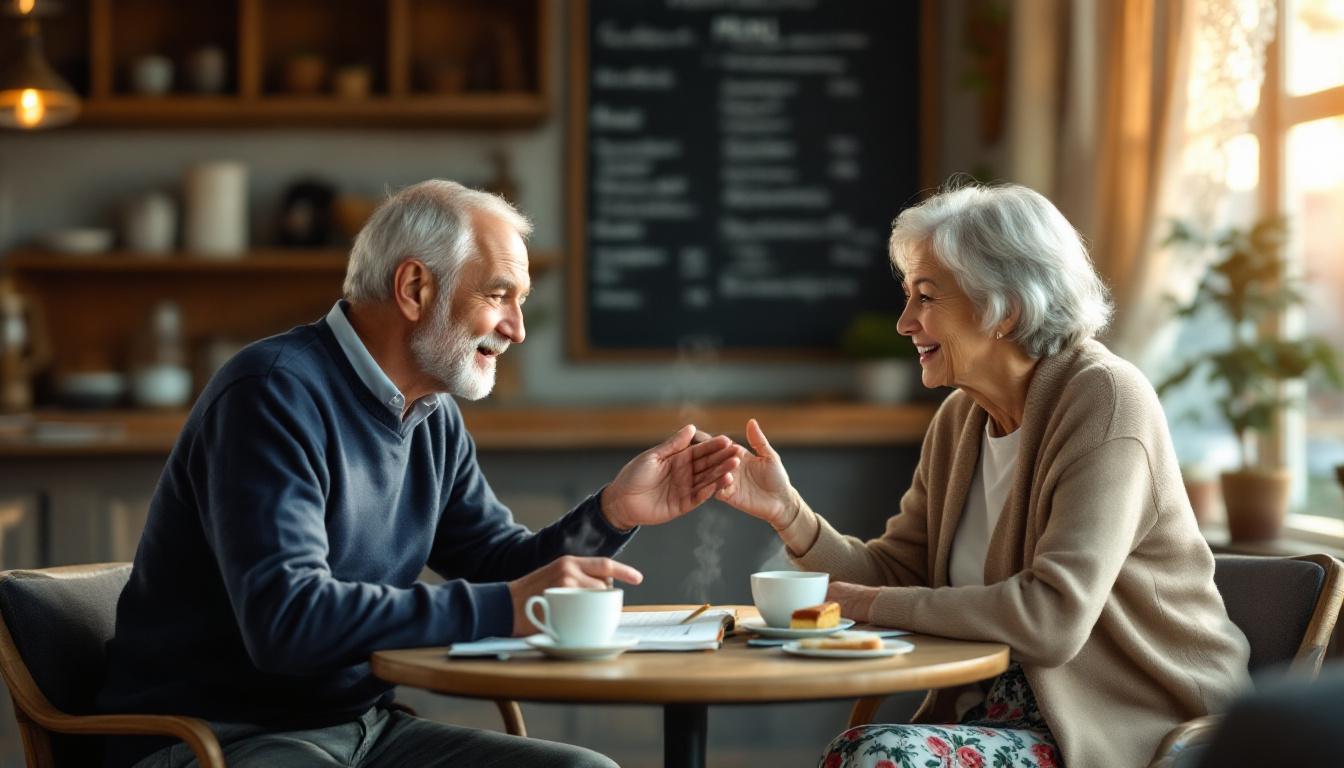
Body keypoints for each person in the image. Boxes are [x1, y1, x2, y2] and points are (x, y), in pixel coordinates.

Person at [96, 180, 741, 768]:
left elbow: (500, 570)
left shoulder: (431, 414)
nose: (516, 329)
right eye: (498, 296)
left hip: (362, 731)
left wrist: (612, 513)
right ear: (414, 289)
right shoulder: (270, 394)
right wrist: (503, 608)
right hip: (211, 738)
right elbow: (286, 622)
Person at [715, 182, 1251, 768]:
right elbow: (897, 573)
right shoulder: (961, 418)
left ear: (1006, 309)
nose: (904, 322)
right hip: (1000, 719)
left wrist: (868, 602)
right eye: (907, 296)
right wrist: (788, 514)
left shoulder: (1106, 398)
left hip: (1131, 728)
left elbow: (1051, 620)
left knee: (877, 756)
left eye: (926, 297)